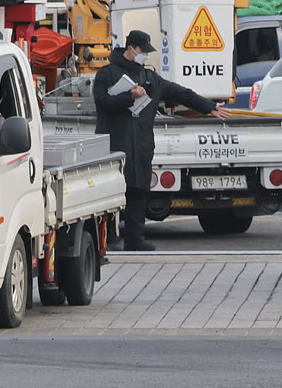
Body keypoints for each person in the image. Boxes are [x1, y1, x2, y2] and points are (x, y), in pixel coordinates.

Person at [93, 29, 231, 252]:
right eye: (142, 51)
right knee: (113, 192)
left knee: (138, 191)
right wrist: (129, 96)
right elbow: (102, 102)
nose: (145, 56)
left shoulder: (150, 78)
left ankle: (135, 239)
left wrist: (210, 106)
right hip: (114, 145)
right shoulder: (106, 74)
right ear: (130, 49)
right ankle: (109, 238)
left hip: (141, 145)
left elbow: (180, 93)